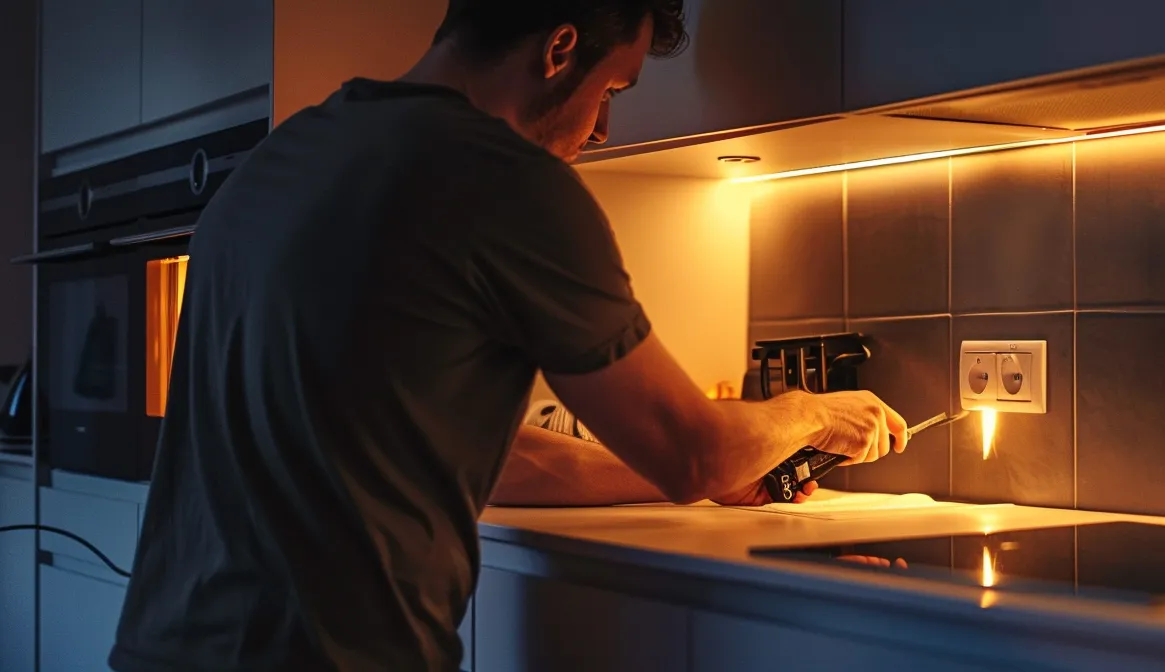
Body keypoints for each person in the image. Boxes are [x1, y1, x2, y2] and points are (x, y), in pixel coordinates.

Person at [109, 1, 907, 670]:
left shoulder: (284, 157)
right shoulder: (507, 183)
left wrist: (709, 478)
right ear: (561, 48)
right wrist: (815, 412)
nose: (601, 129)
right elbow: (689, 451)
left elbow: (486, 455)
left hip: (166, 644)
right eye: (612, 88)